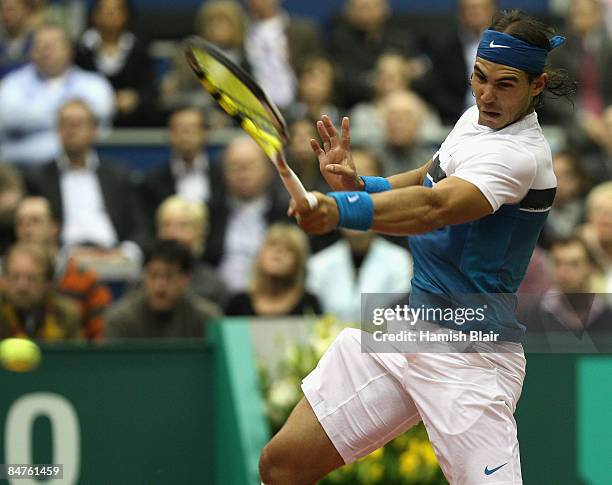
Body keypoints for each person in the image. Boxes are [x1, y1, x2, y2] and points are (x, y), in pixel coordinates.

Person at [259, 10, 575, 485]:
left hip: (470, 356)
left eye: (505, 84)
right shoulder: (476, 119)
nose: (487, 95)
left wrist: (342, 209)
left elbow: (434, 207)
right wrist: (363, 185)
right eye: (480, 78)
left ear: (537, 85)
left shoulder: (519, 156)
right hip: (410, 325)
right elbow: (427, 177)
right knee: (281, 466)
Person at [24, 99, 146, 266]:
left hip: (114, 256)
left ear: (94, 130)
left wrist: (126, 253)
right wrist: (59, 256)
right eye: (66, 124)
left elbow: (139, 227)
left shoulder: (117, 174)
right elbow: (33, 229)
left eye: (79, 124)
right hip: (62, 260)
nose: (72, 130)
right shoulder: (39, 177)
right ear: (58, 130)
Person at [0, 23, 114, 165]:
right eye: (39, 45)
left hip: (76, 167)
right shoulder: (12, 83)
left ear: (69, 50)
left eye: (51, 46)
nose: (44, 51)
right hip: (20, 168)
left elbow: (100, 114)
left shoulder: (94, 84)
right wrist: (67, 117)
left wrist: (32, 118)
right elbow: (8, 118)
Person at [14, 196, 113, 340]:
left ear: (55, 227)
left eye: (35, 221)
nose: (26, 229)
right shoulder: (5, 281)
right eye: (20, 223)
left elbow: (102, 337)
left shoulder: (85, 279)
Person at [104, 239, 222, 339]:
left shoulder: (207, 319)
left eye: (168, 276)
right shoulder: (121, 320)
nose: (159, 286)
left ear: (185, 279)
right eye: (153, 275)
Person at [75, 0, 156, 127]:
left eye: (115, 10)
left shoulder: (139, 49)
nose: (109, 14)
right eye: (104, 10)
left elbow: (150, 90)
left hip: (132, 122)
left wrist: (136, 98)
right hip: (90, 119)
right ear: (94, 15)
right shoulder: (81, 50)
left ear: (126, 15)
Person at [225, 223, 321, 317]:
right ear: (260, 255)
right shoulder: (238, 304)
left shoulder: (308, 304)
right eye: (272, 245)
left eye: (289, 249)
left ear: (299, 262)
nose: (278, 252)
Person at [156, 195, 229, 306]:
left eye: (183, 226)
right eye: (167, 225)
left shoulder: (213, 287)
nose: (173, 234)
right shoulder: (143, 283)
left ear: (200, 233)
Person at [0, 242, 81, 340]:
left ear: (48, 283)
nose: (22, 286)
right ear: (3, 279)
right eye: (14, 277)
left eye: (31, 278)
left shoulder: (66, 314)